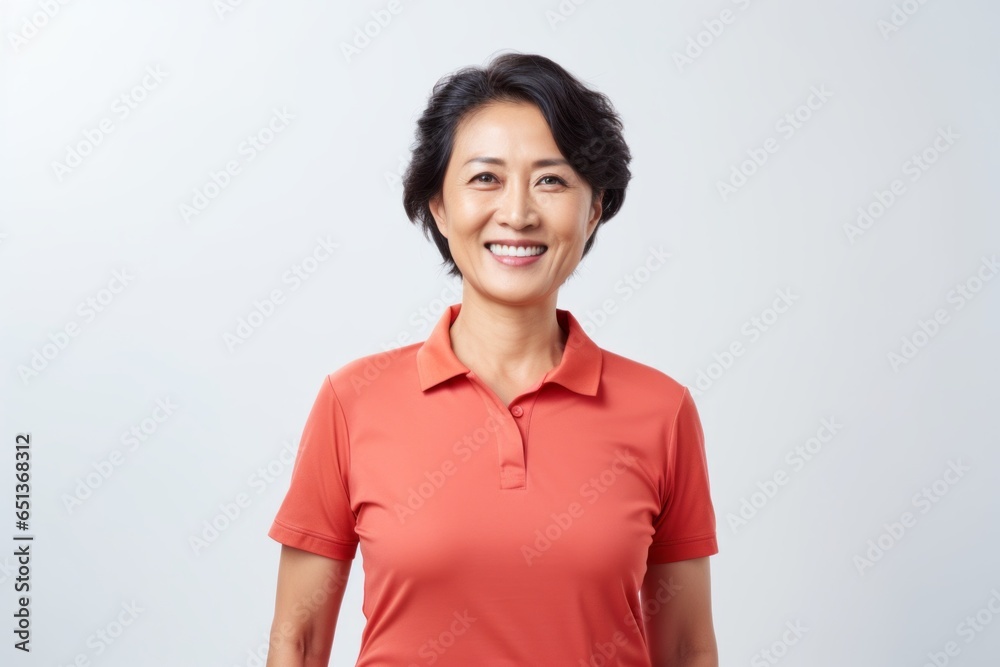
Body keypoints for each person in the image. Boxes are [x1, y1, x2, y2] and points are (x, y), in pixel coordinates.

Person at [264, 51, 719, 667]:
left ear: (594, 210)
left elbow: (687, 649)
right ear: (440, 205)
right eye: (485, 178)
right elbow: (298, 642)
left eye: (552, 180)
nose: (519, 213)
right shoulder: (353, 401)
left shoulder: (661, 411)